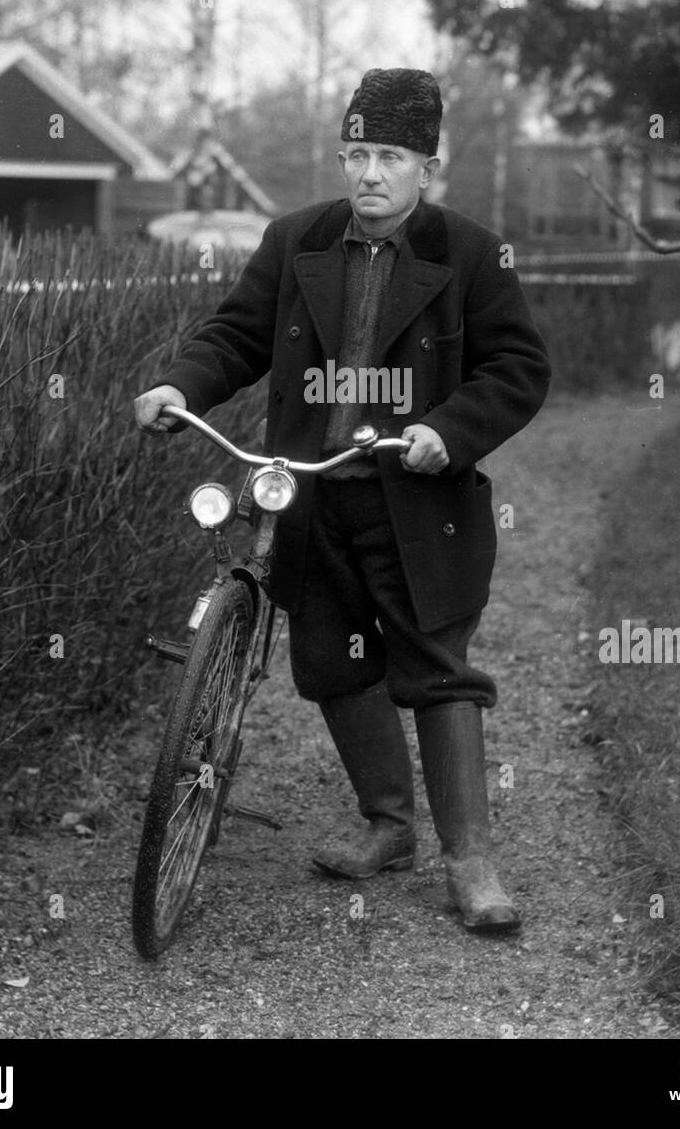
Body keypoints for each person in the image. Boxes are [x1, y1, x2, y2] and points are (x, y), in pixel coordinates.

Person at [134, 68, 551, 932]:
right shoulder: (296, 241)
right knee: (330, 662)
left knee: (439, 671)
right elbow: (237, 335)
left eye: (389, 156)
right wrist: (181, 387)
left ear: (425, 168)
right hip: (313, 497)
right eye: (355, 153)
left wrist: (451, 428)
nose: (368, 173)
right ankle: (387, 825)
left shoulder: (467, 252)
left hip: (416, 498)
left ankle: (470, 863)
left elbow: (519, 368)